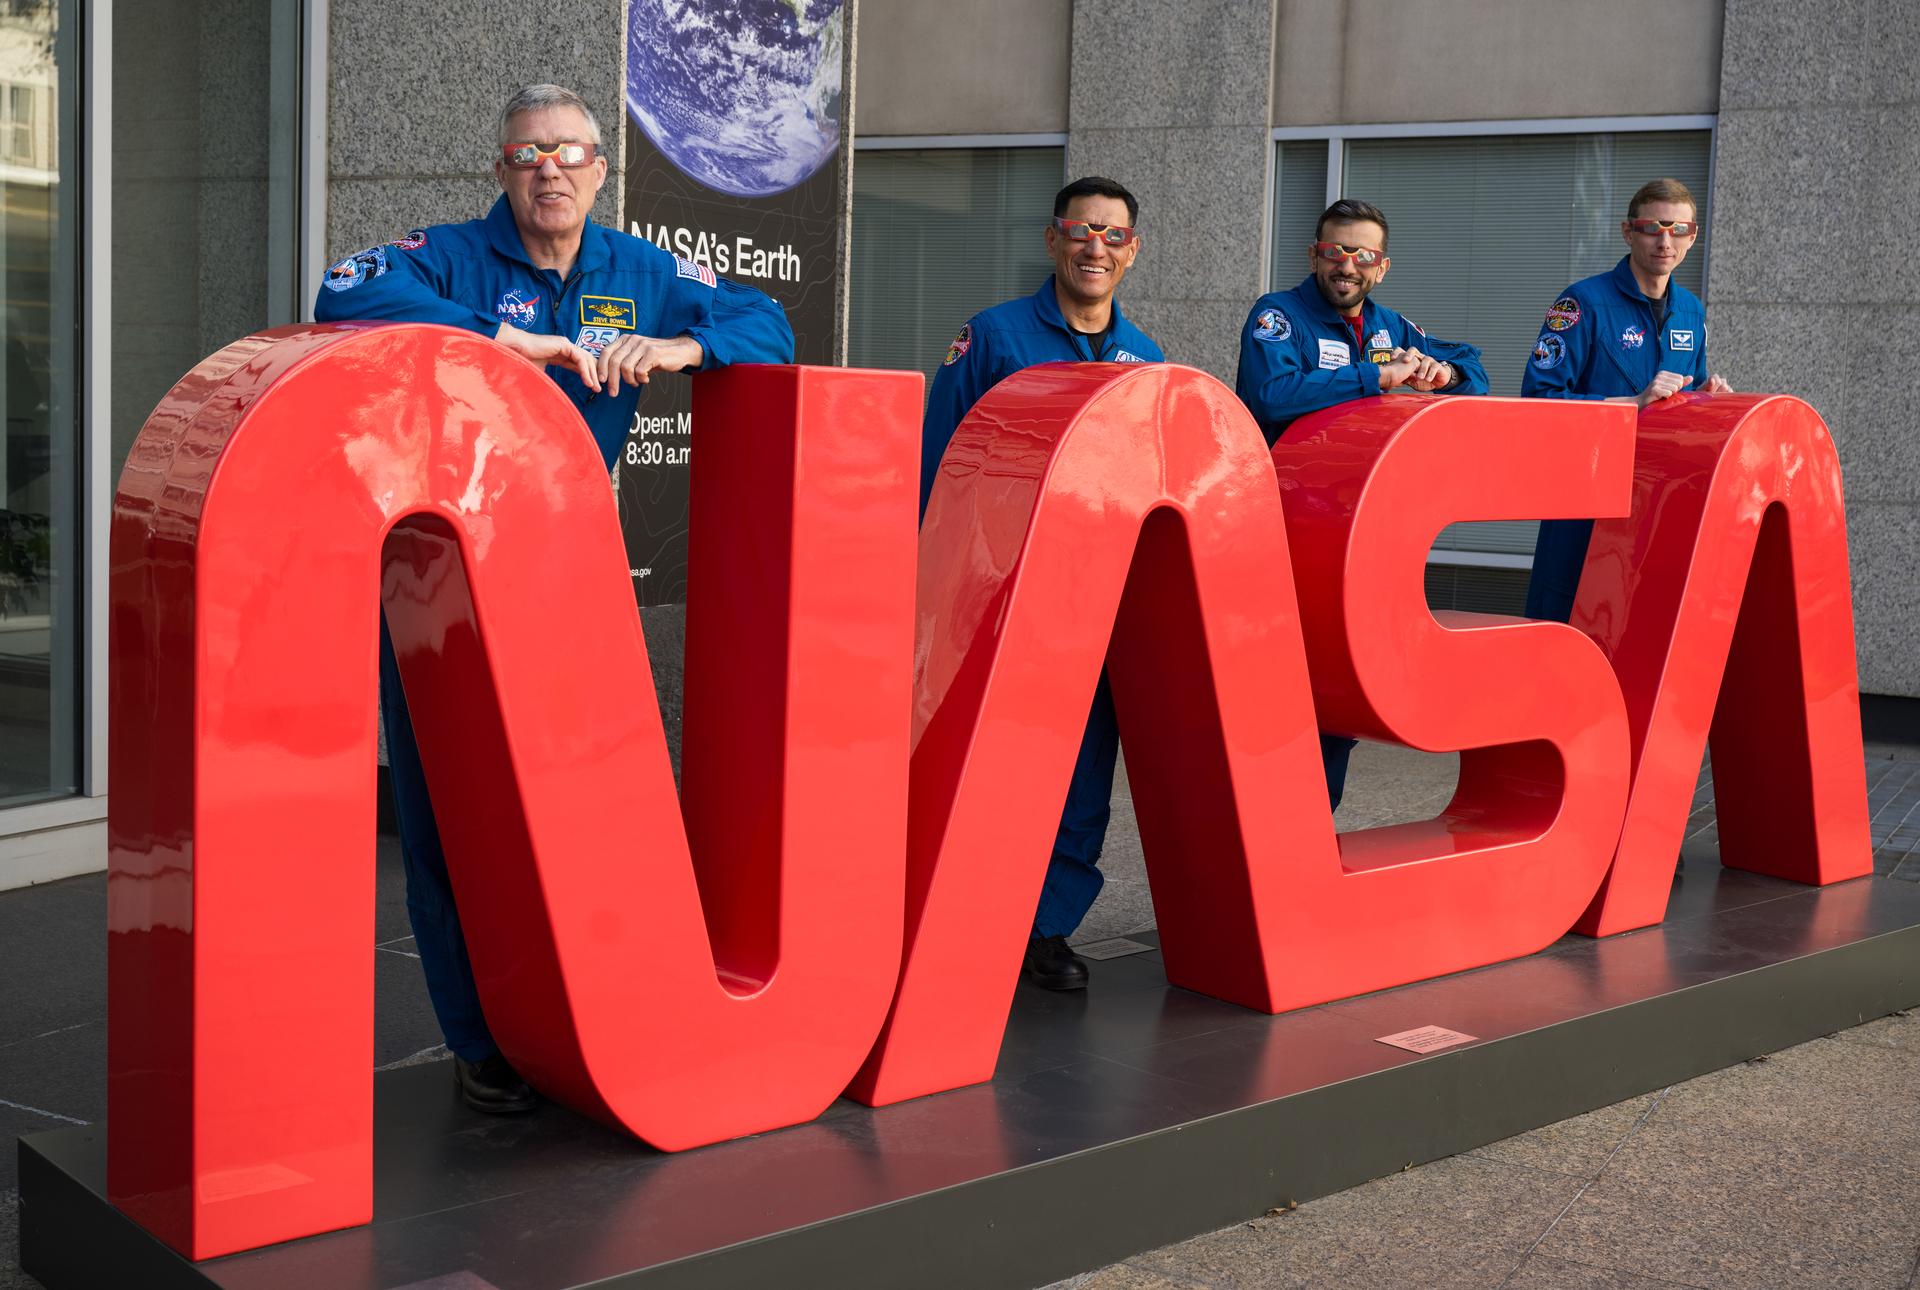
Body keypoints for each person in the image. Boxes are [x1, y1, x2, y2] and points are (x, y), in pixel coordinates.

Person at [315, 84, 794, 1113]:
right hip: (442, 583)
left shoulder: (643, 268)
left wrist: (684, 347)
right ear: (501, 167)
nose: (552, 171)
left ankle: (593, 1016)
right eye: (531, 154)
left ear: (600, 169)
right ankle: (480, 1038)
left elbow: (768, 322)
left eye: (572, 153)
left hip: (566, 576)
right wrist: (502, 336)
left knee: (588, 810)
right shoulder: (447, 254)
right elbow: (341, 295)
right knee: (451, 823)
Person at [920, 176, 1163, 991]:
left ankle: (1047, 929)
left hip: (1092, 601)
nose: (1097, 246)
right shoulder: (992, 337)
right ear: (1054, 240)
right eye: (1082, 230)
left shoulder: (1147, 361)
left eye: (1114, 235)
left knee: (1084, 769)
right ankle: (965, 918)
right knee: (991, 758)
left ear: (1132, 252)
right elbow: (938, 456)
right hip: (994, 592)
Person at [1234, 198, 1490, 813]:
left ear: (1382, 266)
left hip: (1356, 543)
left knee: (1338, 691)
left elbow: (1474, 367)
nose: (1346, 265)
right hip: (1282, 536)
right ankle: (1269, 824)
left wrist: (1439, 374)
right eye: (1335, 250)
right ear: (1314, 256)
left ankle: (1311, 833)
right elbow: (1270, 394)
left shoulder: (1390, 327)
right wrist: (1375, 378)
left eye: (1362, 255)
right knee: (1282, 690)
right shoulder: (1278, 317)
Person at [1521, 177, 1732, 622]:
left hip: (1654, 507)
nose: (1664, 240)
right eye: (1652, 227)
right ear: (1628, 232)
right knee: (1564, 628)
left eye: (1678, 229)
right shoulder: (1581, 302)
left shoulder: (1691, 311)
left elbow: (1681, 400)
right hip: (1584, 502)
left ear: (1692, 237)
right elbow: (1538, 400)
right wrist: (1630, 404)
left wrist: (1705, 400)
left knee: (1636, 634)